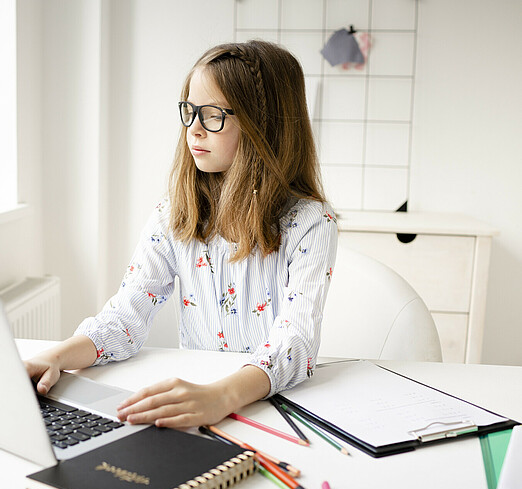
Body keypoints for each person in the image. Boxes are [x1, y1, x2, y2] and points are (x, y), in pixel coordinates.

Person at [25, 40, 337, 429]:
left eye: (212, 115)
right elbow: (126, 317)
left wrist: (220, 397)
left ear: (264, 125)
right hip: (196, 401)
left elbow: (297, 341)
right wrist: (56, 356)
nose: (194, 129)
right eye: (189, 112)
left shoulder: (309, 222)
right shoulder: (174, 213)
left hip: (269, 405)